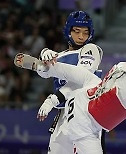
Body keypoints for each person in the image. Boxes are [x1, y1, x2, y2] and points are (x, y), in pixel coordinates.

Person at [33, 37, 126, 153]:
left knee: (91, 79)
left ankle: (50, 67)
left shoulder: (121, 65)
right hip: (84, 126)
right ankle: (50, 68)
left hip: (80, 100)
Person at [36, 11, 104, 154]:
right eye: (77, 31)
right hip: (63, 114)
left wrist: (53, 99)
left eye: (86, 33)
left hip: (85, 115)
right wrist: (44, 57)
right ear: (68, 31)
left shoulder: (91, 49)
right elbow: (42, 73)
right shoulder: (59, 56)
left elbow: (81, 79)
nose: (81, 37)